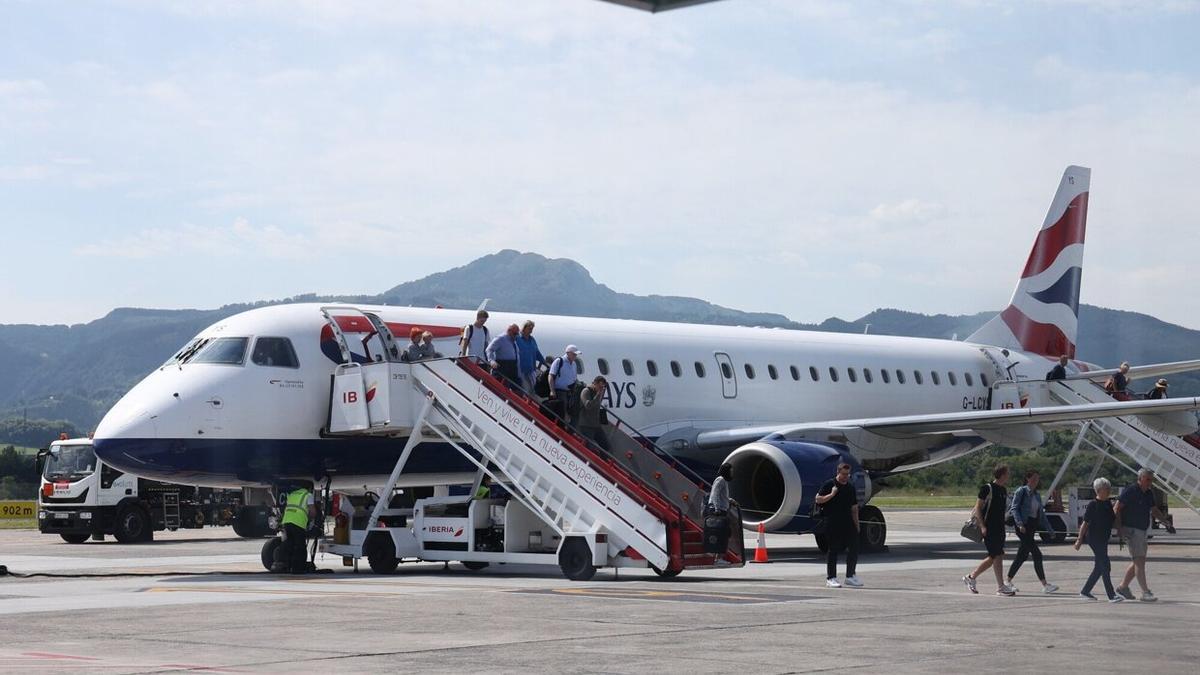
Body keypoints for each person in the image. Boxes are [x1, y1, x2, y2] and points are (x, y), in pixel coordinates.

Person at [1114, 468, 1174, 601]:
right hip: (1131, 530)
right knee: (1140, 561)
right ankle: (1145, 592)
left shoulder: (1148, 493)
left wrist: (1166, 523)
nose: (1150, 482)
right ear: (1140, 478)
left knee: (1138, 561)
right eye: (1147, 479)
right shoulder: (1130, 491)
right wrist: (1119, 528)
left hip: (1141, 530)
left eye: (1151, 480)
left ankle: (1123, 587)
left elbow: (1154, 510)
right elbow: (1117, 508)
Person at [963, 465, 1015, 596]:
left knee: (998, 555)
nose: (1009, 475)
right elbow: (978, 508)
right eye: (1008, 473)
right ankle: (972, 577)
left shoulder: (1003, 490)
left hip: (999, 528)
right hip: (989, 528)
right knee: (994, 556)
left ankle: (1000, 586)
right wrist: (982, 526)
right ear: (1002, 474)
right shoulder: (987, 488)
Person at [1006, 470, 1059, 594]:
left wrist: (1050, 529)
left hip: (1031, 527)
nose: (1036, 481)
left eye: (1038, 479)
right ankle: (1045, 585)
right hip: (1023, 527)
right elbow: (1014, 508)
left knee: (1022, 556)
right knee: (1037, 554)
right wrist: (1019, 524)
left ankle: (1007, 581)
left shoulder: (1036, 495)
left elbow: (1041, 515)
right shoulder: (1022, 491)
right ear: (1028, 479)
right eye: (1034, 478)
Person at [815, 462, 862, 588]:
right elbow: (818, 499)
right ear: (838, 472)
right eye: (844, 474)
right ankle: (831, 578)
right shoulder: (830, 484)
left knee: (854, 547)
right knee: (833, 550)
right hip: (832, 522)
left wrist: (857, 525)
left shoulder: (850, 487)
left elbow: (854, 508)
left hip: (848, 522)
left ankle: (850, 576)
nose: (846, 477)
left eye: (848, 474)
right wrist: (832, 494)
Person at [1075, 477, 1122, 602]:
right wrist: (1079, 539)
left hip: (1103, 539)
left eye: (1109, 488)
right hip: (1094, 539)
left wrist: (1120, 530)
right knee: (1105, 565)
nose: (1108, 491)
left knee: (1099, 567)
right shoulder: (1092, 505)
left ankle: (1085, 591)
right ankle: (1111, 595)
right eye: (1106, 489)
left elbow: (1113, 519)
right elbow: (1085, 523)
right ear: (1099, 490)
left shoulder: (1107, 503)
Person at [277, 483, 315, 574]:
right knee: (300, 546)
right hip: (298, 522)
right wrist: (310, 521)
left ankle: (287, 566)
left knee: (290, 544)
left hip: (287, 521)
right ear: (309, 488)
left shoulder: (293, 494)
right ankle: (298, 568)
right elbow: (313, 511)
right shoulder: (308, 495)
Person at [706, 463, 734, 566]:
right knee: (721, 534)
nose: (732, 472)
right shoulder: (720, 480)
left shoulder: (724, 481)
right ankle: (718, 559)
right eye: (731, 470)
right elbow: (715, 493)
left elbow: (722, 495)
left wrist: (730, 500)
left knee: (725, 534)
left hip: (723, 509)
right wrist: (716, 508)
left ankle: (719, 558)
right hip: (719, 510)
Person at [548, 345, 582, 425]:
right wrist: (552, 391)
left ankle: (566, 427)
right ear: (568, 353)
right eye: (574, 354)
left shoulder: (574, 364)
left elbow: (574, 378)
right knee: (562, 412)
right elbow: (551, 376)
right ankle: (560, 428)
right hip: (559, 391)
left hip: (569, 392)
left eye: (576, 354)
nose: (575, 356)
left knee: (570, 412)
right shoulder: (559, 361)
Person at [578, 376, 611, 454]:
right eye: (600, 386)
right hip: (586, 425)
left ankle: (604, 462)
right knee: (589, 448)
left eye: (603, 387)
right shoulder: (586, 391)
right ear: (595, 383)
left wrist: (601, 394)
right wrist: (598, 394)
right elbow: (588, 406)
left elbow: (597, 405)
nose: (601, 388)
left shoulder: (598, 393)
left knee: (606, 446)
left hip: (595, 425)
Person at [515, 320, 547, 394]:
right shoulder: (517, 338)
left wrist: (544, 362)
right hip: (521, 370)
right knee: (526, 390)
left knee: (533, 390)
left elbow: (537, 352)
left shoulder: (532, 339)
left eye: (532, 329)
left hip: (531, 370)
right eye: (529, 328)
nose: (531, 331)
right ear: (524, 328)